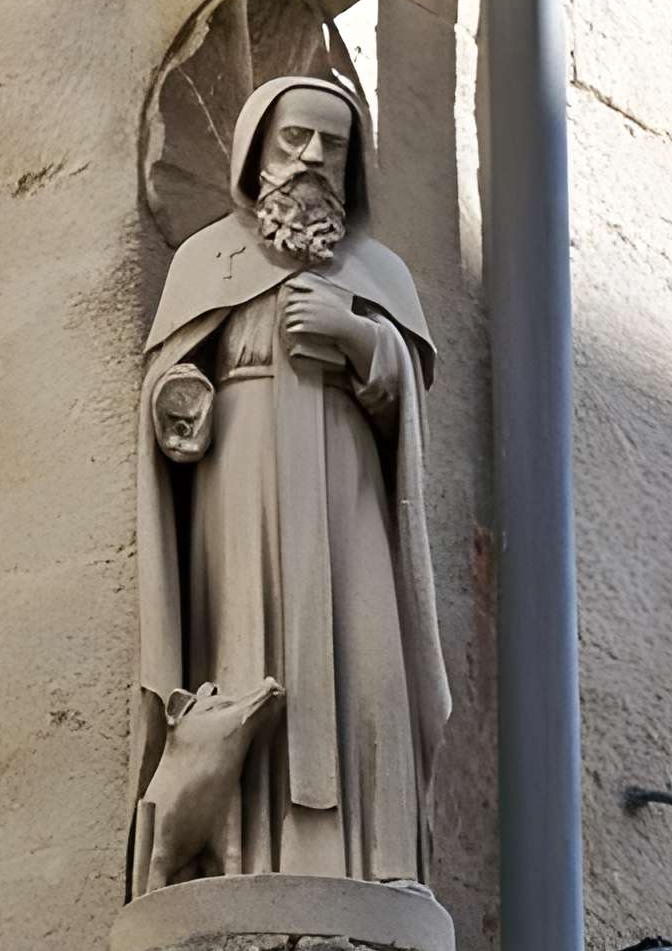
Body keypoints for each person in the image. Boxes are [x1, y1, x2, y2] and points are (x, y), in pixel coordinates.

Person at [133, 76, 450, 886]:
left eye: (330, 145)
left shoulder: (379, 274)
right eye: (293, 140)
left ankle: (371, 866)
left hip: (347, 498)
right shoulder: (207, 259)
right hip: (238, 496)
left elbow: (405, 409)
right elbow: (171, 388)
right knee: (244, 653)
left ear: (352, 167)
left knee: (367, 662)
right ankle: (241, 867)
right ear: (255, 152)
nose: (311, 158)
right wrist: (181, 405)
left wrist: (357, 337)